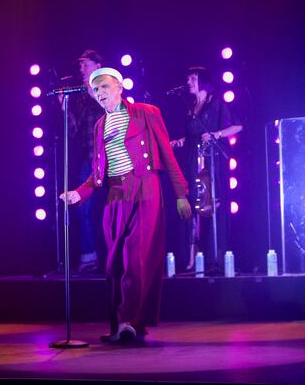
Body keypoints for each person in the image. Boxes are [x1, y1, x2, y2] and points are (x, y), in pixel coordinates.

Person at [60, 68, 191, 344]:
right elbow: (98, 175)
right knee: (114, 262)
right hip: (116, 194)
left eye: (105, 86)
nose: (100, 93)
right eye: (96, 90)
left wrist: (181, 193)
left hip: (145, 187)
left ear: (119, 86)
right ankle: (124, 323)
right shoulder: (99, 126)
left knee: (136, 256)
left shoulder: (146, 112)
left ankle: (129, 320)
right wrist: (78, 194)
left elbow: (167, 155)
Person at [169, 67, 242, 270]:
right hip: (193, 160)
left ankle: (214, 256)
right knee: (193, 205)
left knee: (211, 204)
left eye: (193, 78)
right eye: (188, 78)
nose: (189, 82)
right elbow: (193, 137)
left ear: (203, 82)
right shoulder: (191, 108)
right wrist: (179, 142)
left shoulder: (216, 104)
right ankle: (193, 258)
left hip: (211, 161)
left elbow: (237, 126)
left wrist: (216, 135)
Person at [65, 50, 106, 273]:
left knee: (115, 208)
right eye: (80, 65)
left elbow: (115, 113)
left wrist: (93, 93)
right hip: (88, 160)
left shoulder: (109, 85)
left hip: (110, 158)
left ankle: (118, 254)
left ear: (97, 65)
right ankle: (89, 255)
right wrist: (64, 109)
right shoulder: (80, 97)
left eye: (85, 64)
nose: (81, 69)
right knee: (81, 204)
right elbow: (74, 132)